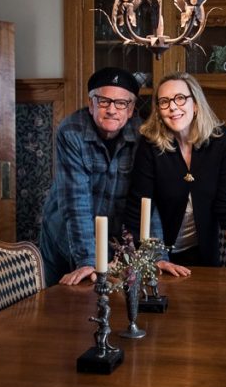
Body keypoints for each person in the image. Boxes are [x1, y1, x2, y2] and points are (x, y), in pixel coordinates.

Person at [125, 72, 226, 274]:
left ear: (195, 104)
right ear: (158, 111)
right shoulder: (150, 145)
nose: (173, 107)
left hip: (203, 252)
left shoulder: (222, 141)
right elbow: (139, 206)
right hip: (161, 257)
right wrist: (147, 259)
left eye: (180, 98)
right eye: (164, 102)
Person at [39, 67, 163, 286]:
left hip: (112, 240)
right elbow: (76, 203)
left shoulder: (142, 136)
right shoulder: (71, 131)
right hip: (64, 235)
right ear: (91, 104)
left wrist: (157, 257)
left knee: (107, 307)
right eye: (103, 101)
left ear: (131, 108)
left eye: (121, 103)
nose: (112, 110)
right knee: (59, 306)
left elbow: (147, 201)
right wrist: (87, 260)